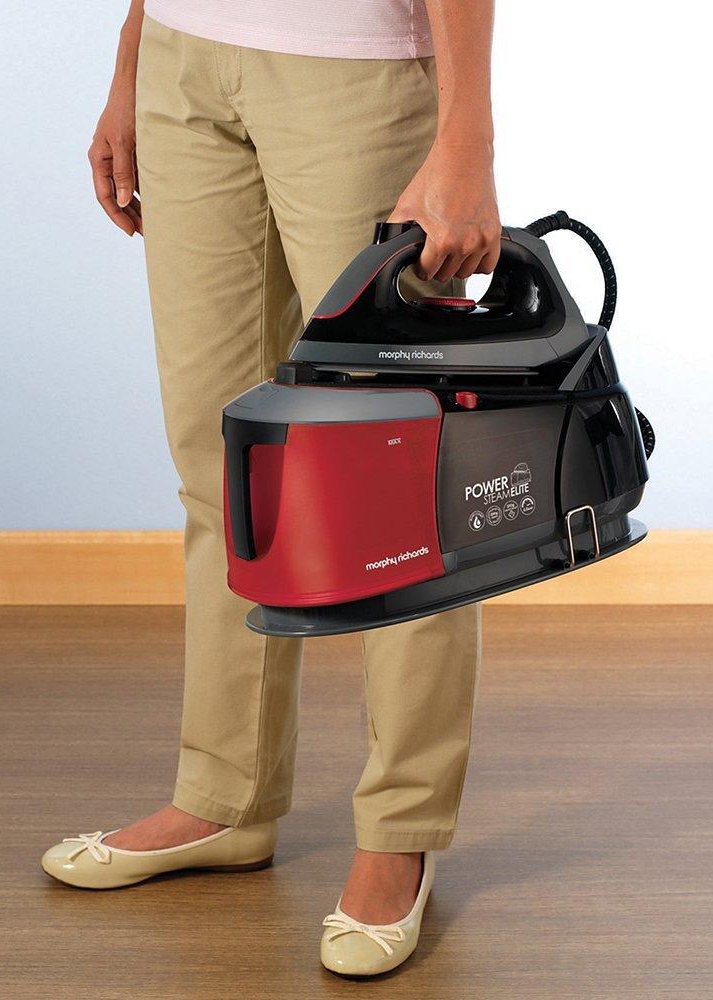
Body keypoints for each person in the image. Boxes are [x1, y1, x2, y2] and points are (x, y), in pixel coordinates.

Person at [41, 0, 500, 976]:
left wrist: (468, 135)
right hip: (185, 62)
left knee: (396, 485)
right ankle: (225, 795)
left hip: (356, 72)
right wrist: (132, 54)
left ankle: (401, 831)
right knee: (221, 463)